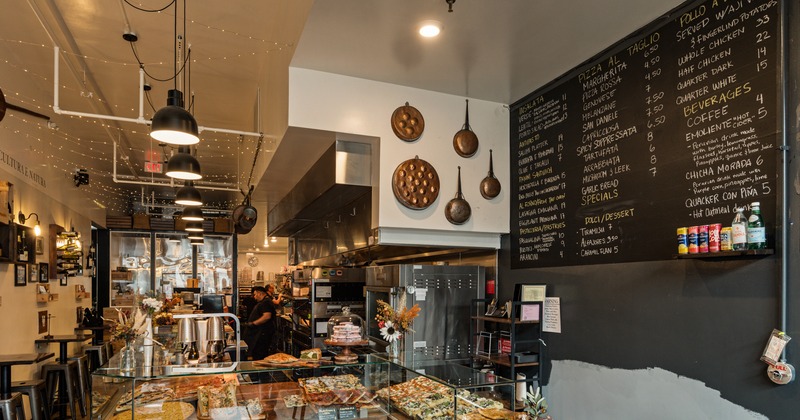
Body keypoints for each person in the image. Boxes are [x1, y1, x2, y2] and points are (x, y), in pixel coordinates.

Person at [241, 286, 275, 361]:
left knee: (260, 355)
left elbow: (267, 316)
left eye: (255, 294)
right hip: (260, 333)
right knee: (257, 354)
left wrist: (253, 323)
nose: (254, 297)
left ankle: (260, 368)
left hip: (263, 334)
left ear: (259, 293)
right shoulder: (263, 302)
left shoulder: (266, 302)